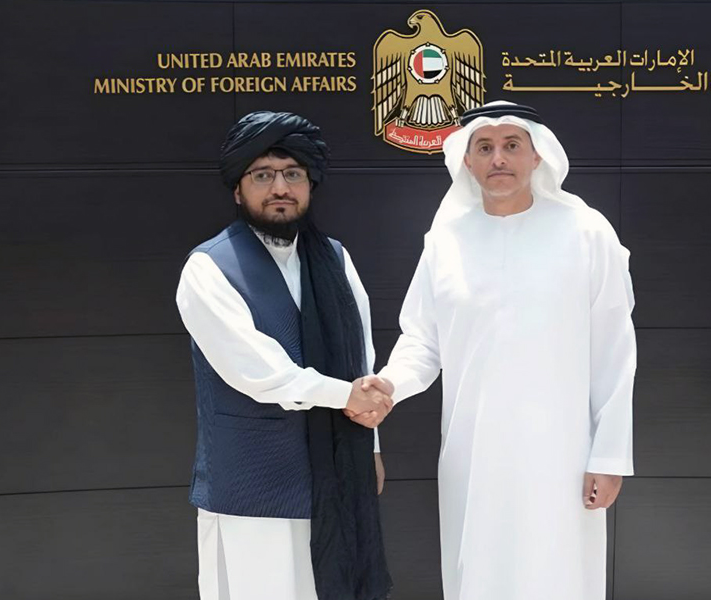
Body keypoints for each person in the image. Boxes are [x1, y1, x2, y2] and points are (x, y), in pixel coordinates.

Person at [360, 101, 637, 600]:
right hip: (474, 454)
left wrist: (610, 454)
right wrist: (389, 385)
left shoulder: (586, 232)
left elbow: (614, 350)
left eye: (512, 145)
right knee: (480, 573)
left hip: (562, 454)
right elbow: (422, 341)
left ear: (537, 155)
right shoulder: (445, 241)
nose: (499, 158)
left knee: (559, 574)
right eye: (484, 148)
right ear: (467, 161)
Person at [176, 111, 392, 600]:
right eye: (263, 175)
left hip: (335, 474)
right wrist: (348, 396)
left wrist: (371, 448)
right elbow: (259, 371)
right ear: (238, 189)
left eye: (292, 173)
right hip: (253, 482)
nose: (280, 187)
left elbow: (362, 361)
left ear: (310, 185)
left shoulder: (335, 259)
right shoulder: (209, 267)